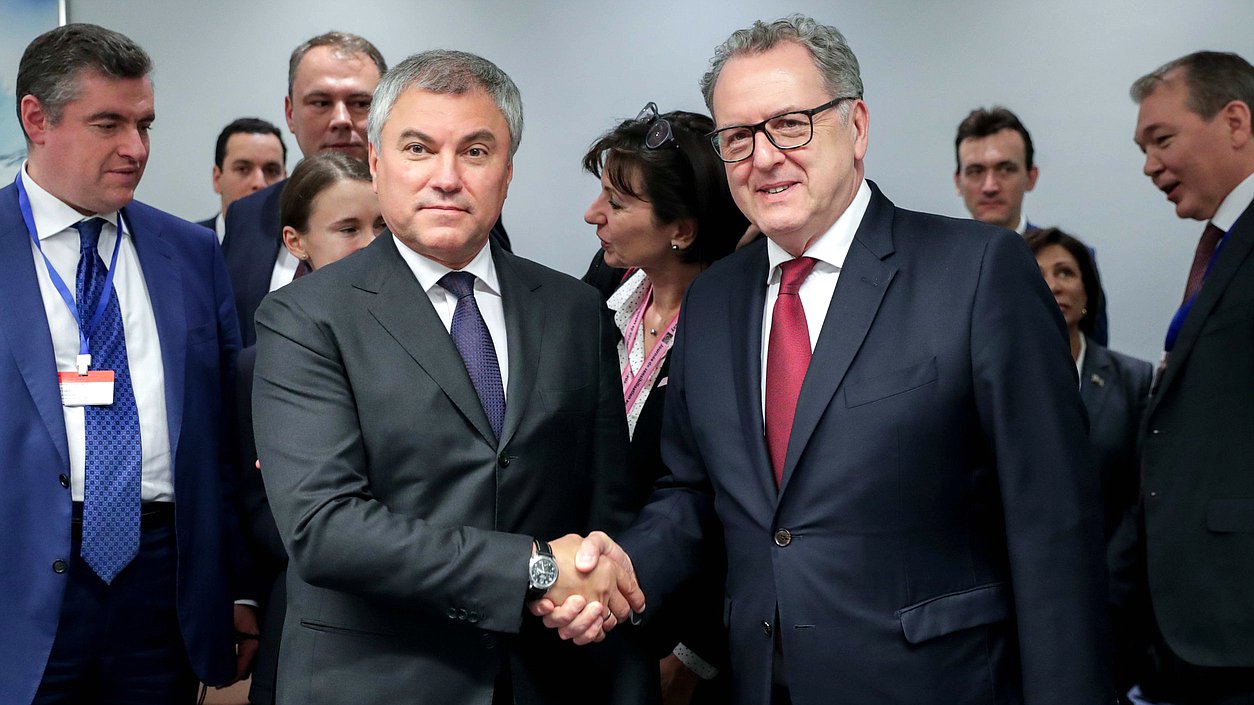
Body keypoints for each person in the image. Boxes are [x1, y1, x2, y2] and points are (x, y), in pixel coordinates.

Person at [541, 15, 1112, 705]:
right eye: (739, 137)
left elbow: (1053, 522)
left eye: (791, 123)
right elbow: (691, 493)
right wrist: (625, 565)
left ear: (858, 126)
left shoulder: (976, 272)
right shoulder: (716, 297)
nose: (765, 156)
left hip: (940, 684)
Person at [251, 49, 645, 705]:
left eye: (476, 151)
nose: (446, 177)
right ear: (377, 163)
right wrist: (533, 567)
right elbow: (326, 528)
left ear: (508, 171)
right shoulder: (304, 317)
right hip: (377, 679)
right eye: (418, 148)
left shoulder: (574, 311)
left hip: (549, 676)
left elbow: (608, 506)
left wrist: (591, 585)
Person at [0, 24, 252, 704]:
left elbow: (226, 436)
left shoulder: (192, 252)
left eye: (144, 124)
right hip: (18, 578)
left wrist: (239, 582)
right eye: (107, 123)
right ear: (36, 119)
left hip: (163, 580)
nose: (135, 148)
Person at [580, 104, 748, 704]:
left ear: (681, 228)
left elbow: (736, 510)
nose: (593, 215)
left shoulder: (739, 327)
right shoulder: (602, 291)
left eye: (617, 205)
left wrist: (695, 655)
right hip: (590, 619)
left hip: (681, 637)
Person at [234, 151, 383, 704]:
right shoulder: (261, 362)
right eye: (348, 229)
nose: (371, 245)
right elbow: (250, 506)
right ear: (296, 242)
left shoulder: (449, 341)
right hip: (309, 606)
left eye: (382, 226)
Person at [1130, 50, 1254, 705]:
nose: (1150, 164)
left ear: (1235, 121)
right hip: (1192, 638)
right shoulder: (1222, 250)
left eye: (1162, 139)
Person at [1026, 227, 1153, 700]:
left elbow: (1145, 499)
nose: (1054, 285)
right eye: (1037, 274)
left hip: (1116, 602)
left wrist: (1109, 580)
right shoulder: (988, 383)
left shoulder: (1132, 380)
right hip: (1023, 609)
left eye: (1066, 273)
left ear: (1087, 292)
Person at [221, 32, 387, 347]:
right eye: (321, 102)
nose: (341, 119)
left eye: (361, 103)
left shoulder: (427, 212)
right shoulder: (247, 214)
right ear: (290, 113)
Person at [954, 106, 1111, 344]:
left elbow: (1092, 364)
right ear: (958, 182)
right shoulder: (934, 265)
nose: (990, 186)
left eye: (1005, 169)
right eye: (976, 171)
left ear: (1031, 176)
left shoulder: (1072, 262)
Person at [195, 118, 287, 243]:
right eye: (243, 169)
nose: (259, 183)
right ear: (217, 179)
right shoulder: (185, 244)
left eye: (271, 171)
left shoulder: (301, 250)